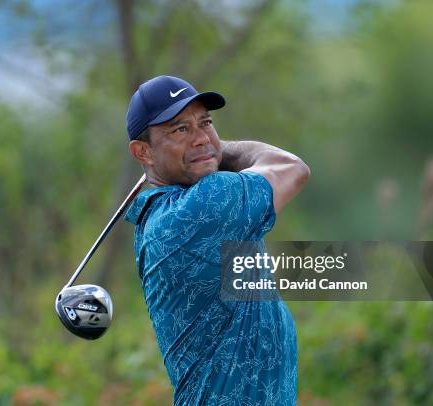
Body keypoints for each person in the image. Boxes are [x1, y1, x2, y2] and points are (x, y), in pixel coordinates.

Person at [124, 75, 310, 405]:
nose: (201, 138)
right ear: (143, 152)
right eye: (180, 130)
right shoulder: (203, 208)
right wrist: (214, 150)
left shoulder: (164, 215)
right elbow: (291, 167)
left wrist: (201, 150)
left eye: (205, 123)